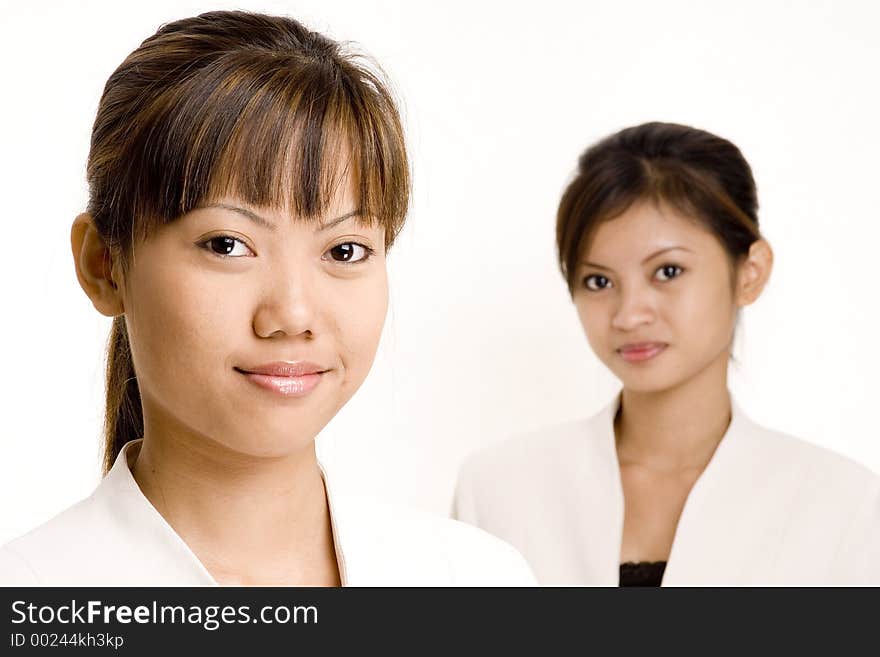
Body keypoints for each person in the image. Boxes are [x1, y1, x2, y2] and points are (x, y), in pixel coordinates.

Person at [0, 10, 534, 586]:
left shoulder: (477, 578)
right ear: (103, 265)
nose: (294, 315)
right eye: (228, 244)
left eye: (345, 251)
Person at [453, 122, 880, 586]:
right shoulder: (497, 490)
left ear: (750, 273)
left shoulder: (843, 506)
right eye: (598, 281)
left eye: (668, 271)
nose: (629, 314)